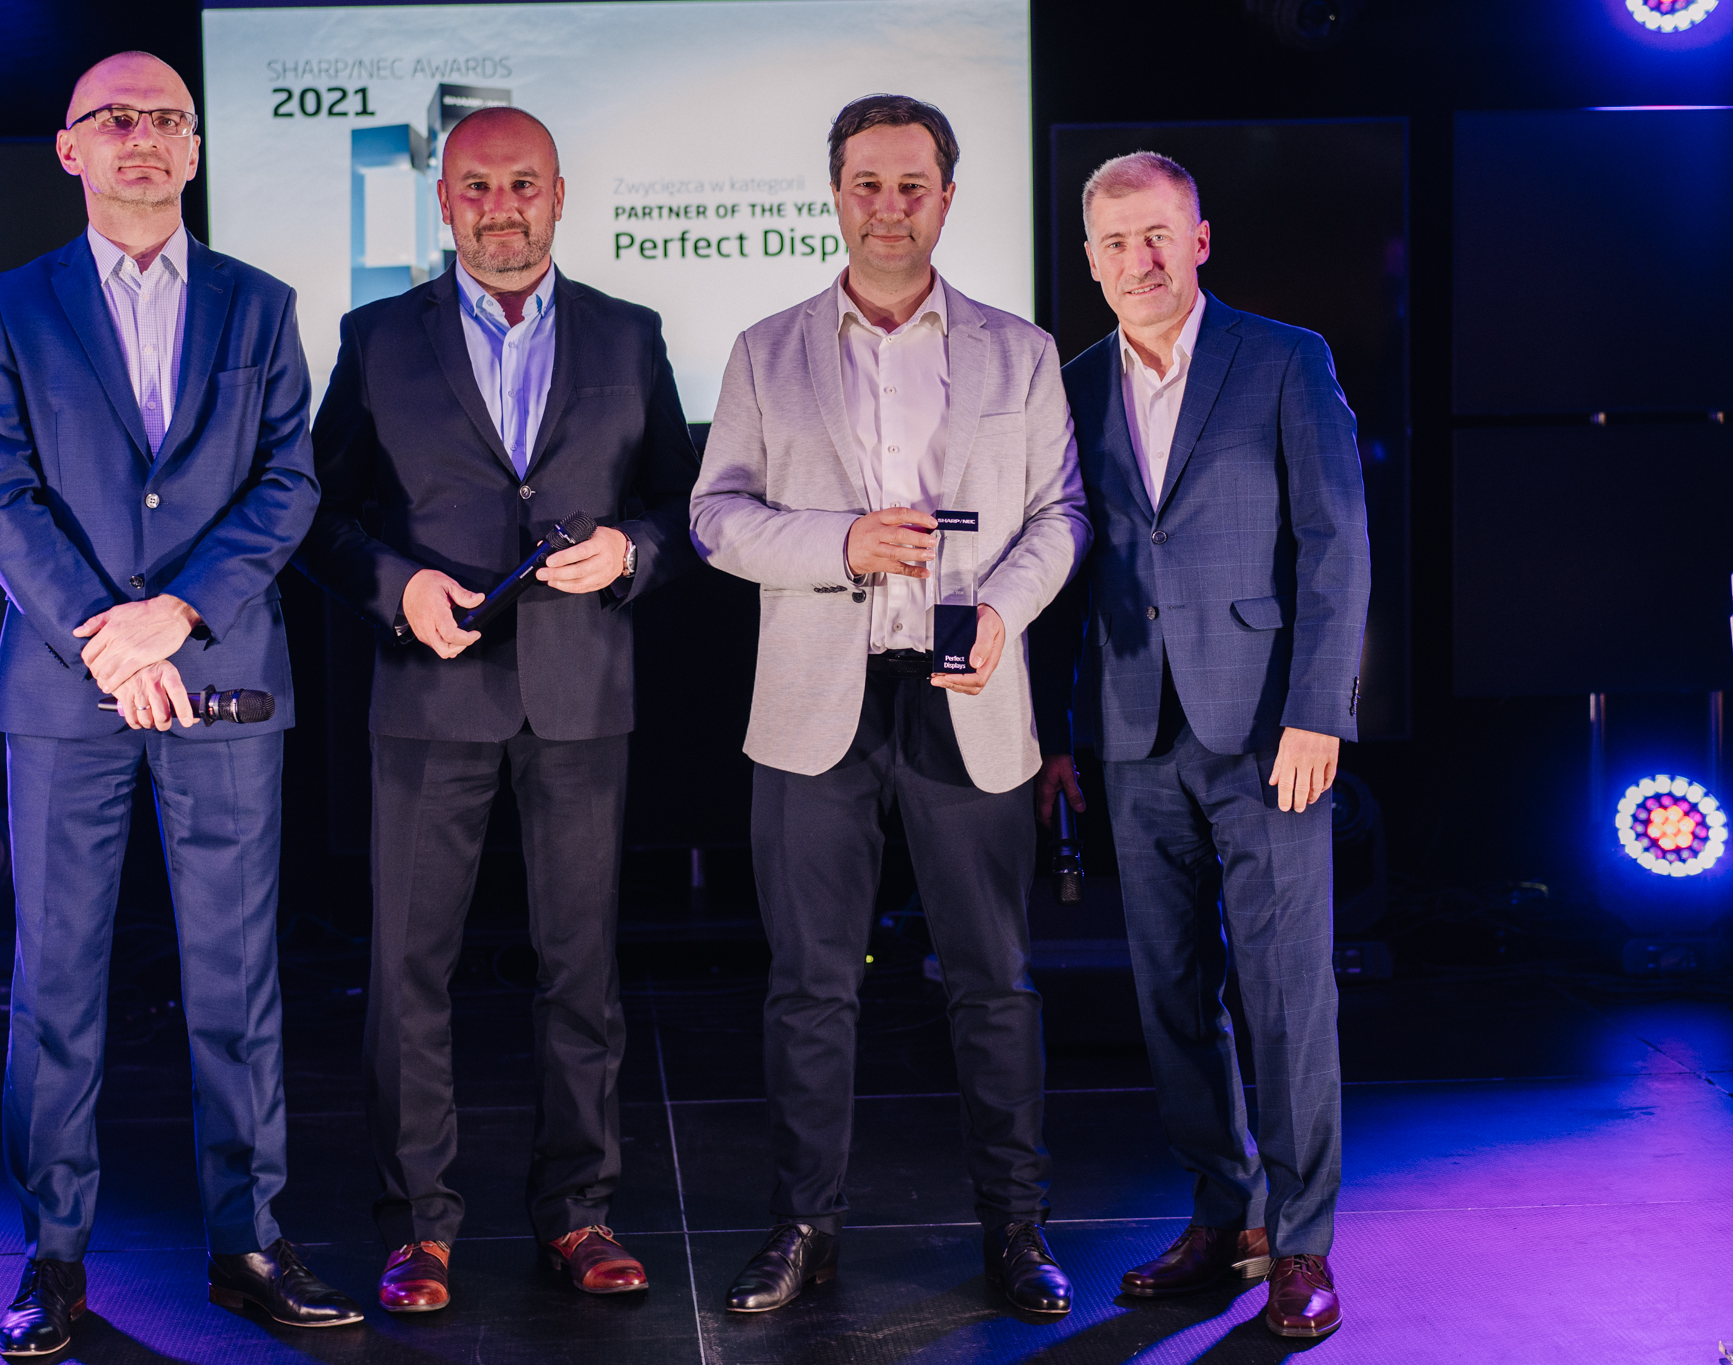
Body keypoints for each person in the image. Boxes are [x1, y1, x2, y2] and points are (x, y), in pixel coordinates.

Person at [0, 51, 362, 1358]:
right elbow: (0, 500)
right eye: (115, 118)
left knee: (237, 978)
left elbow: (287, 485)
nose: (142, 136)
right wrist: (112, 640)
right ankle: (54, 1258)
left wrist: (177, 615)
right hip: (66, 682)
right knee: (56, 984)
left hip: (221, 670)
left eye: (166, 119)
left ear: (194, 148)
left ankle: (248, 1245)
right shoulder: (12, 307)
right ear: (70, 147)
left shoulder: (261, 304)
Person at [292, 106, 698, 1314]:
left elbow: (682, 508)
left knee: (580, 970)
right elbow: (316, 514)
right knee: (409, 973)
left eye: (522, 184)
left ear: (559, 195)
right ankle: (417, 1228)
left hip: (580, 694)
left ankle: (578, 1212)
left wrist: (628, 551)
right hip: (429, 694)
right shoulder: (377, 338)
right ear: (443, 201)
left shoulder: (630, 332)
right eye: (476, 187)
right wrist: (394, 586)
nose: (500, 208)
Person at [691, 94, 1092, 1317]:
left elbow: (1061, 515)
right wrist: (841, 542)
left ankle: (1014, 1229)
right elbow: (713, 518)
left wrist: (1000, 613)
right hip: (815, 700)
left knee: (992, 981)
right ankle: (803, 1228)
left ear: (946, 198)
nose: (887, 207)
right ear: (834, 195)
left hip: (967, 691)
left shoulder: (1020, 351)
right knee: (810, 988)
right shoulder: (764, 349)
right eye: (866, 184)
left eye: (911, 185)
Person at [1035, 151, 1369, 1340]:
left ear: (1198, 240)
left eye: (1157, 235)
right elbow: (1063, 567)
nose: (1139, 260)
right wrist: (1055, 734)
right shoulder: (1069, 385)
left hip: (1268, 726)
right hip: (1132, 732)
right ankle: (1223, 1215)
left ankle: (1300, 1239)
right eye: (1115, 242)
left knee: (1284, 991)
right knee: (1169, 991)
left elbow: (1335, 541)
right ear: (1090, 261)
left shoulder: (1282, 358)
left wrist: (1318, 708)